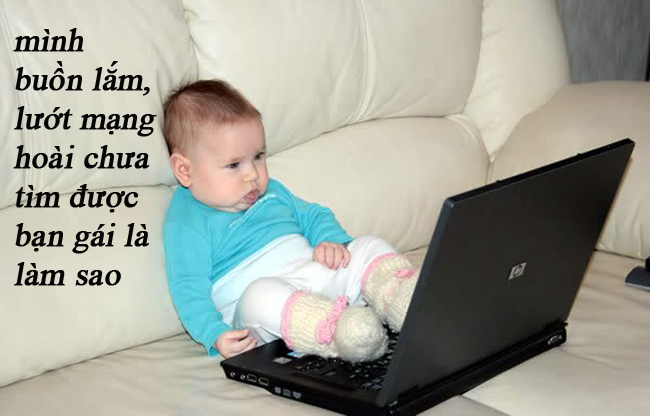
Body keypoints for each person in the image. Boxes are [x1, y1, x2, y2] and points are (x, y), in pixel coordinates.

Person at [163, 79, 418, 362]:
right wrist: (214, 334)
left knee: (368, 245)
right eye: (234, 165)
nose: (253, 175)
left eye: (258, 157)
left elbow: (314, 215)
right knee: (259, 297)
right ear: (185, 171)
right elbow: (187, 288)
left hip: (315, 277)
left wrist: (329, 239)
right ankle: (344, 333)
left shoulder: (272, 191)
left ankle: (405, 302)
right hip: (270, 311)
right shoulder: (187, 221)